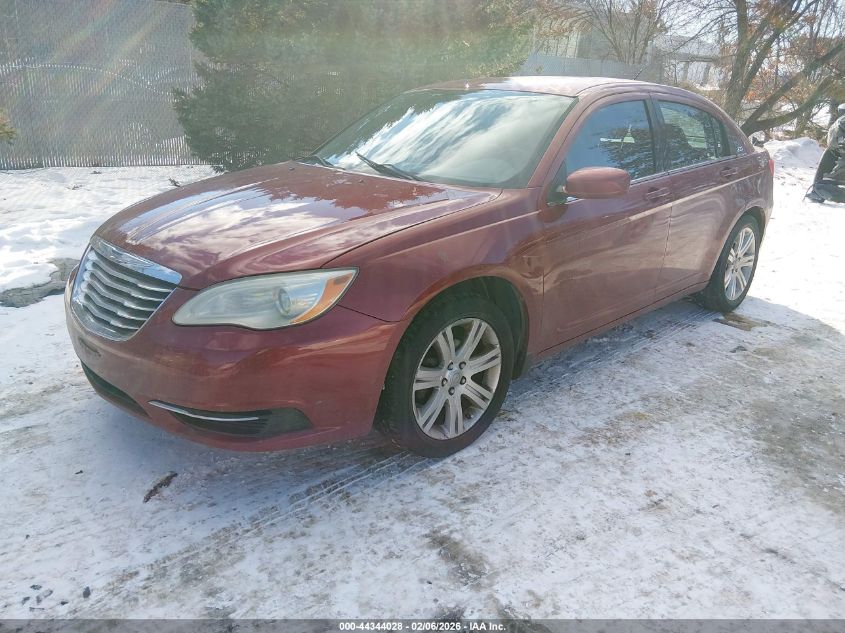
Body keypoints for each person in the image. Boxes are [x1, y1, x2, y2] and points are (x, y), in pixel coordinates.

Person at [807, 104, 845, 203]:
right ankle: (818, 191)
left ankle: (817, 192)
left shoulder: (841, 121)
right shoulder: (841, 121)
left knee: (826, 167)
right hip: (837, 151)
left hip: (837, 151)